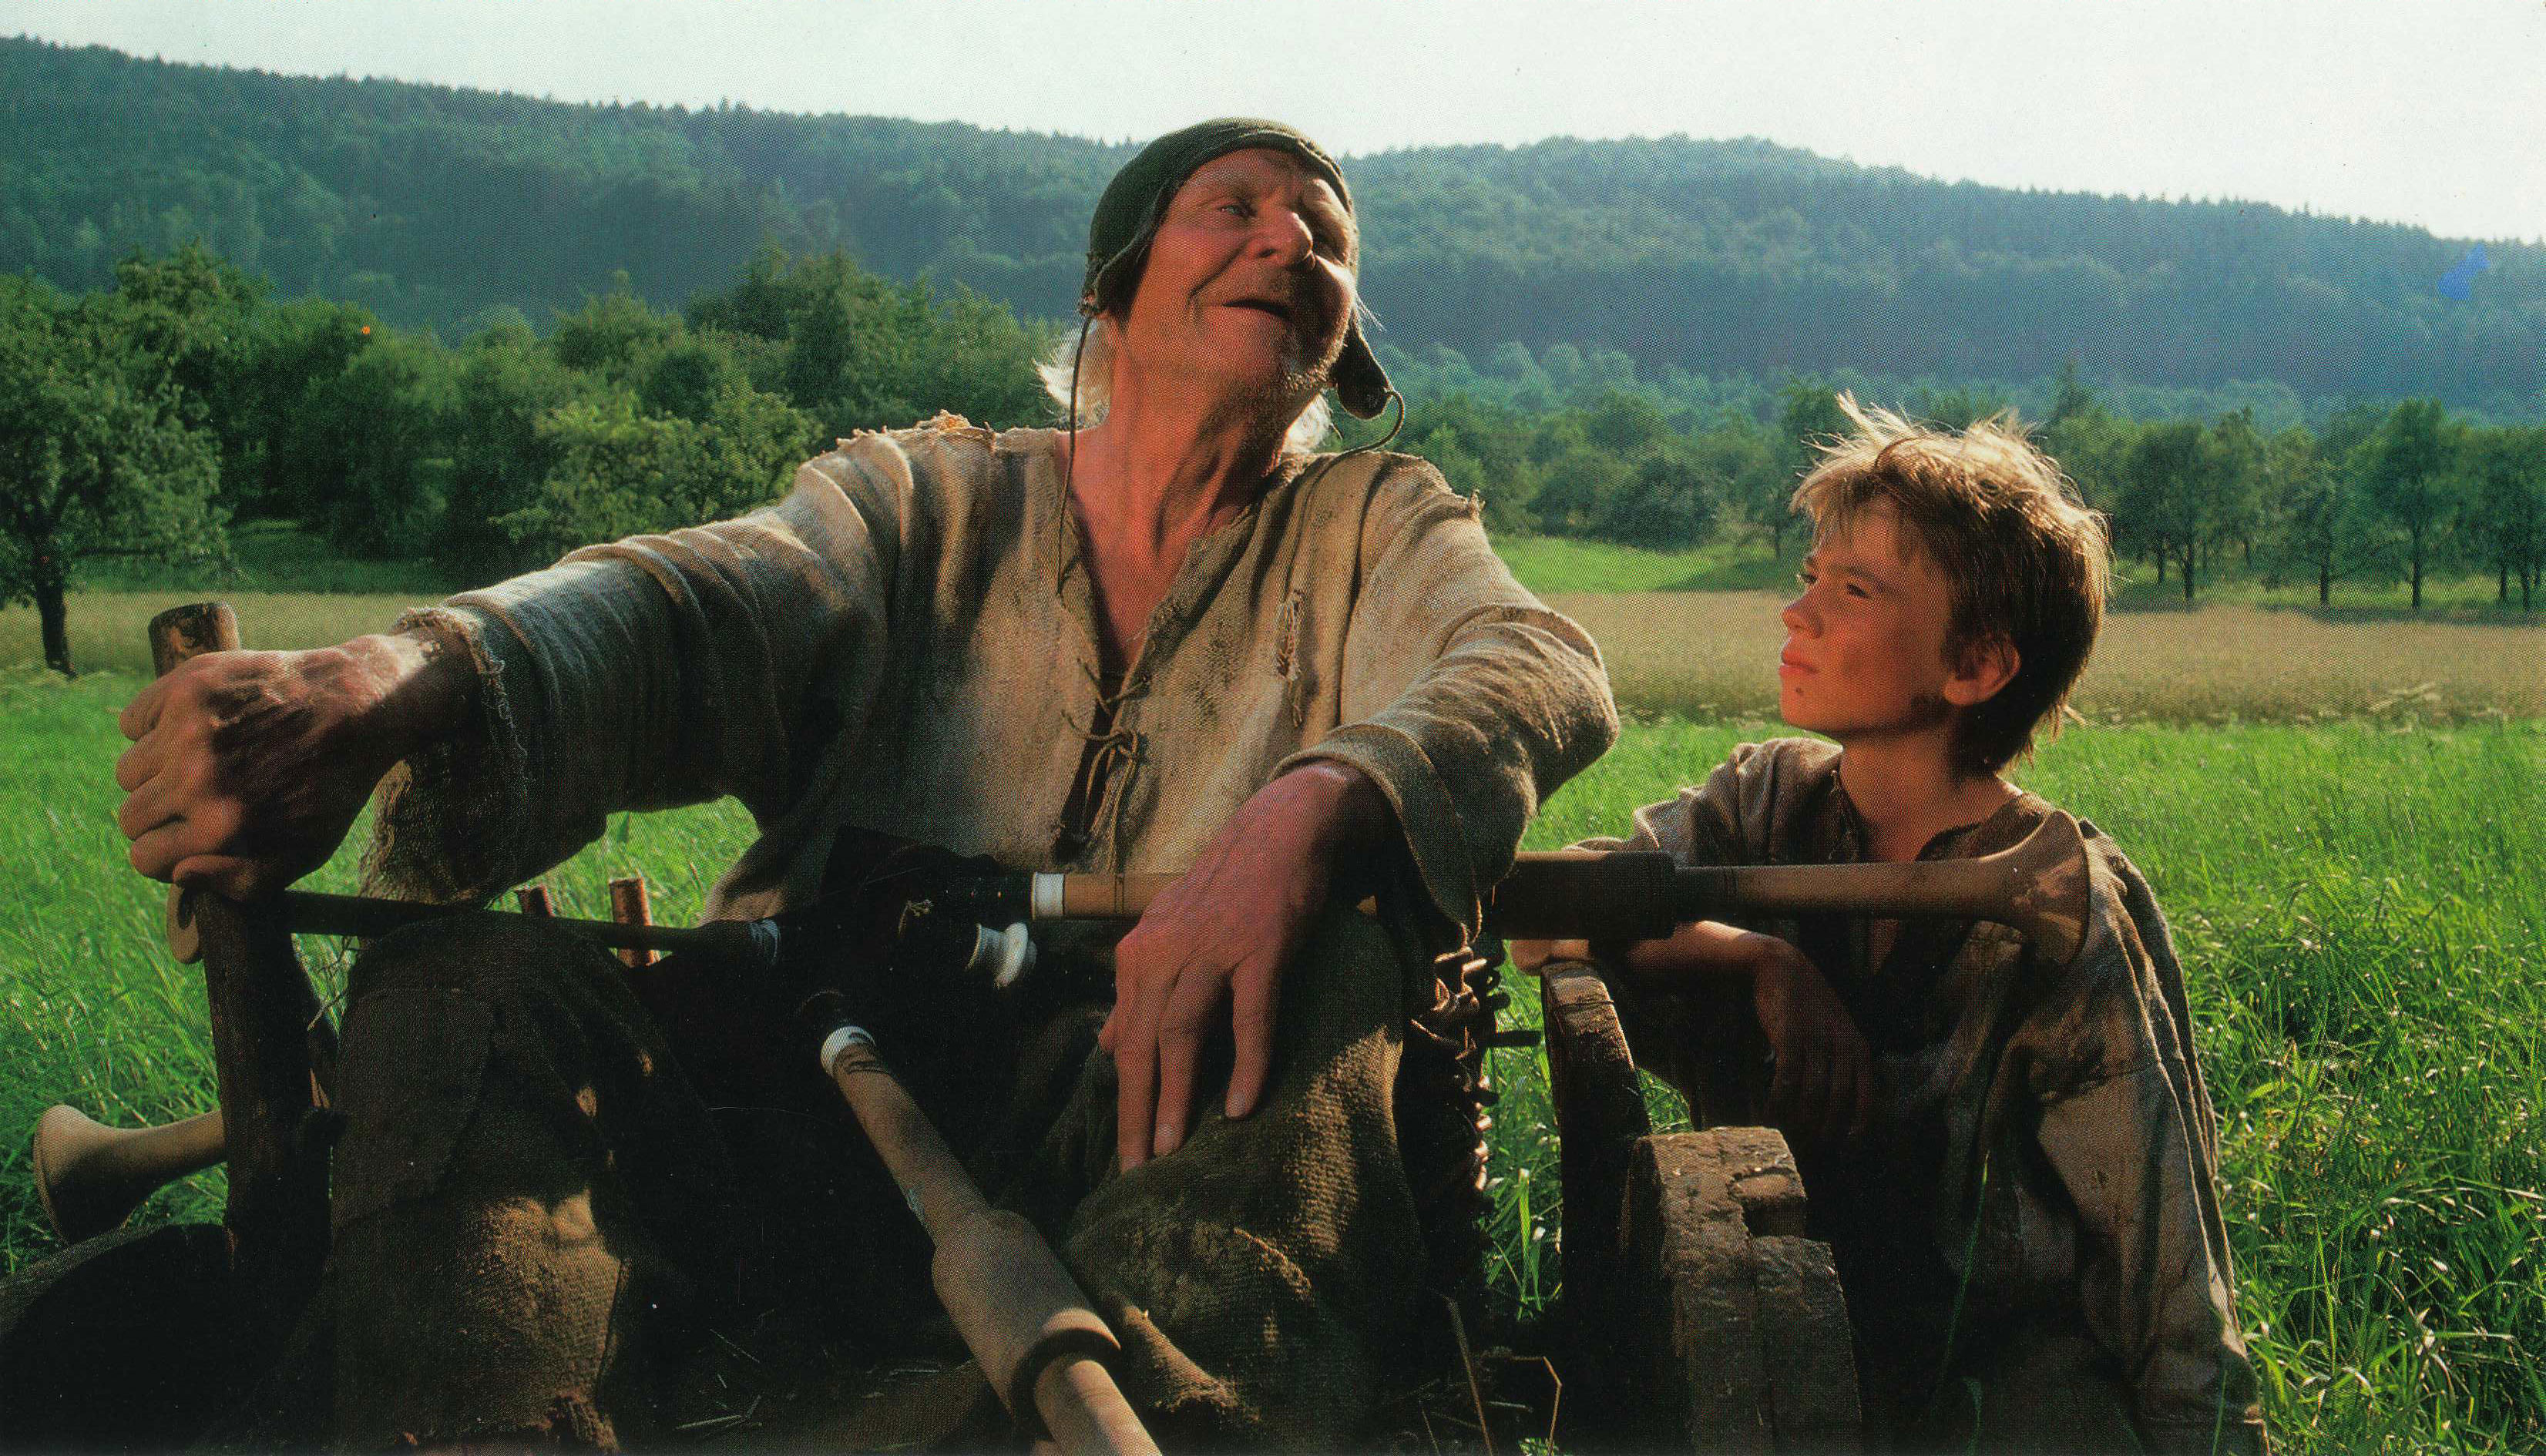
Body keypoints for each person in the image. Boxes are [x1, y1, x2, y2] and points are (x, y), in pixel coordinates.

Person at [105, 119, 1617, 1448]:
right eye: (1234, 207)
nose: (1288, 238)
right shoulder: (919, 504)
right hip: (795, 1118)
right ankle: (495, 1426)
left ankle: (1146, 1425)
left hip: (1153, 1147)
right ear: (1109, 288)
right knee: (465, 983)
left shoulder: (1376, 524)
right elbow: (690, 609)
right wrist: (393, 681)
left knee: (1330, 967)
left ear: (1339, 344)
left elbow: (1530, 663)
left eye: (1326, 232)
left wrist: (1312, 805)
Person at [1513, 399, 2266, 1453]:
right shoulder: (1763, 802)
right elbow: (1540, 914)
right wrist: (1759, 959)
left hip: (2003, 1405)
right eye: (1810, 577)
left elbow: (2167, 1280)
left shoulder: (2058, 908)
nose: (1797, 614)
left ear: (1976, 668)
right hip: (1775, 1365)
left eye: (1854, 591)